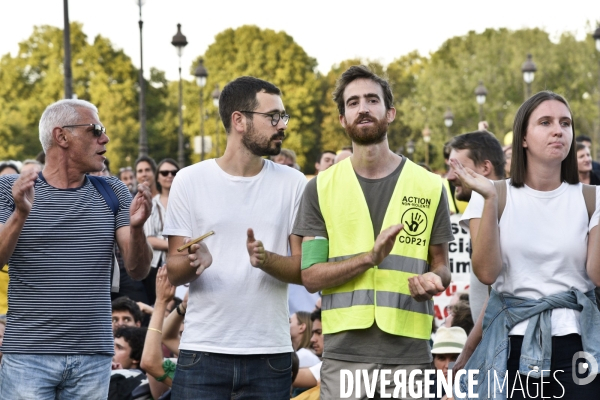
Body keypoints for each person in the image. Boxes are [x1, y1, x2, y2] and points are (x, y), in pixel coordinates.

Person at [293, 65, 454, 399]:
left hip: (410, 354)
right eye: (353, 103)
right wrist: (369, 258)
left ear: (390, 112)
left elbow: (441, 265)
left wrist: (435, 281)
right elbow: (310, 276)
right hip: (344, 357)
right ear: (342, 118)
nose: (362, 107)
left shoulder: (429, 185)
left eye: (371, 100)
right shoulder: (319, 188)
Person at [163, 76, 307, 399]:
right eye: (273, 117)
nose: (282, 125)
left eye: (283, 116)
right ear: (238, 120)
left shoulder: (294, 183)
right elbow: (173, 270)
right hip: (203, 350)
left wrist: (267, 261)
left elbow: (303, 270)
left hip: (270, 353)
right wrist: (192, 262)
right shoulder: (189, 180)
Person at [0, 98, 153, 399]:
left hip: (92, 356)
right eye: (95, 130)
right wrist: (20, 213)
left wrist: (137, 229)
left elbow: (138, 269)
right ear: (62, 136)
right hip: (29, 355)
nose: (105, 138)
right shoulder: (10, 189)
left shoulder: (113, 191)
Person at [451, 91, 600, 399]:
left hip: (577, 342)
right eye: (545, 122)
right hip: (510, 346)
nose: (558, 130)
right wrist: (490, 199)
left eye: (565, 123)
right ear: (522, 138)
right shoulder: (490, 194)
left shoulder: (593, 198)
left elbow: (597, 276)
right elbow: (487, 275)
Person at [446, 131, 505, 320]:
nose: (449, 177)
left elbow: (493, 286)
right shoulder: (488, 202)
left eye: (458, 168)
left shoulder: (485, 203)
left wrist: (472, 346)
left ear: (485, 167)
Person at [143, 158, 180, 305]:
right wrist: (177, 244)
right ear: (158, 177)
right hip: (157, 266)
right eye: (165, 173)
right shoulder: (152, 203)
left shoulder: (187, 202)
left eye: (174, 172)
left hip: (182, 263)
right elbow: (149, 239)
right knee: (158, 305)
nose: (169, 176)